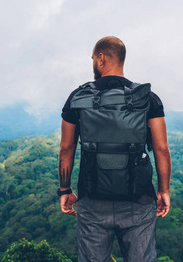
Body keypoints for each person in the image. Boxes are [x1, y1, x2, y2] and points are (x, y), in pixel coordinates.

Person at [57, 36, 171, 262]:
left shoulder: (78, 97)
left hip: (92, 201)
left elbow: (66, 148)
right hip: (138, 202)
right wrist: (163, 190)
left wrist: (65, 190)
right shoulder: (147, 98)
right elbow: (161, 148)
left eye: (92, 58)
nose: (93, 62)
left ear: (101, 58)